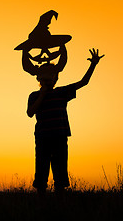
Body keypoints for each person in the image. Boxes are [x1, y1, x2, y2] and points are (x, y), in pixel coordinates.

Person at [27, 48, 104, 195]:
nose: (48, 81)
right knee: (41, 169)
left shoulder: (62, 92)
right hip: (42, 138)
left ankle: (60, 199)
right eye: (44, 78)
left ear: (56, 78)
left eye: (51, 77)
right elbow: (30, 113)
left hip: (60, 137)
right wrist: (42, 96)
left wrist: (93, 65)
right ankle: (41, 200)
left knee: (60, 169)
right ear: (39, 79)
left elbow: (83, 82)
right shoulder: (34, 95)